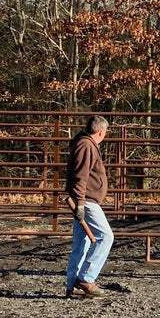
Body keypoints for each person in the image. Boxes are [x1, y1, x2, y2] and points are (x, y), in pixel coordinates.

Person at [64, 115, 114, 298]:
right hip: (87, 200)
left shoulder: (84, 144)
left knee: (82, 243)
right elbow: (81, 176)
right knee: (106, 237)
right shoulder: (86, 146)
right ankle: (86, 278)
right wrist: (81, 203)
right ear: (102, 132)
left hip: (83, 200)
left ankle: (73, 285)